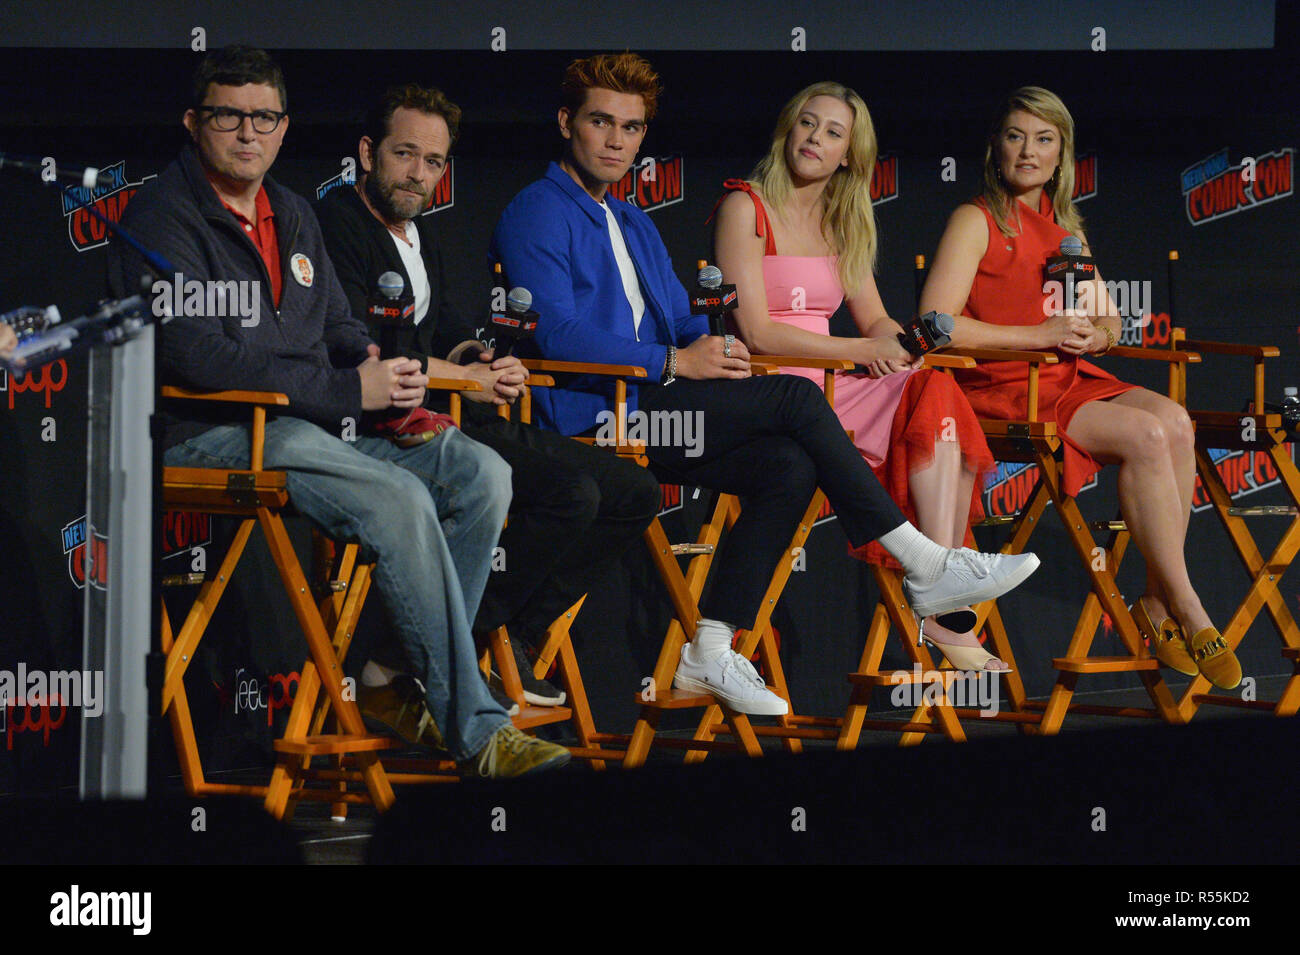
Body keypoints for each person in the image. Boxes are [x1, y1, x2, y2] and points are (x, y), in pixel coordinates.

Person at [491, 52, 1040, 715]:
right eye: (601, 122)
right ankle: (924, 562)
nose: (616, 141)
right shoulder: (537, 210)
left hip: (652, 408)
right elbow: (556, 333)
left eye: (631, 128)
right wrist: (676, 361)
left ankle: (711, 650)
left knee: (790, 464)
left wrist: (710, 342)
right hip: (596, 414)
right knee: (796, 397)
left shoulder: (632, 219)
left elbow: (678, 314)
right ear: (564, 123)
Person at [108, 46, 571, 776]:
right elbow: (197, 357)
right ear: (194, 121)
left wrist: (377, 369)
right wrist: (351, 390)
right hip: (206, 436)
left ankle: (392, 674)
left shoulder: (291, 212)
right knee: (395, 494)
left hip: (309, 431)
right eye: (229, 114)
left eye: (264, 116)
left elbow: (337, 327)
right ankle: (476, 728)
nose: (247, 132)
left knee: (479, 471)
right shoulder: (161, 217)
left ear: (284, 128)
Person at [315, 83, 661, 712]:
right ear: (367, 153)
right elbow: (360, 351)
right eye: (405, 155)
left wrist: (486, 364)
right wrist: (465, 378)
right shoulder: (336, 224)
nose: (419, 175)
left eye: (434, 163)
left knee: (633, 493)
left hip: (451, 418)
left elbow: (452, 336)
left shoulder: (427, 239)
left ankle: (473, 638)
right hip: (374, 431)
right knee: (570, 493)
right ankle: (418, 653)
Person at [918, 85, 1240, 689]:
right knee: (1146, 433)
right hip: (1004, 386)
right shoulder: (975, 218)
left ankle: (1154, 601)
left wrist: (1099, 336)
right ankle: (1189, 606)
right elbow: (937, 324)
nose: (1028, 151)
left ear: (1061, 155)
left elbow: (1110, 317)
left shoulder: (1063, 227)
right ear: (995, 145)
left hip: (1068, 376)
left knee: (1176, 421)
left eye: (1044, 140)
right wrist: (1037, 332)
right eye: (1016, 136)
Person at [713, 81, 1006, 672]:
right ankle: (942, 593)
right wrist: (859, 346)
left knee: (935, 388)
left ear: (849, 153)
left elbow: (874, 317)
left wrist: (904, 346)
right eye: (806, 124)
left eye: (832, 132)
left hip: (831, 384)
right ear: (787, 130)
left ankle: (941, 582)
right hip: (767, 385)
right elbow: (757, 332)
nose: (814, 139)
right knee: (919, 397)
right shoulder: (744, 206)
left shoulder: (842, 219)